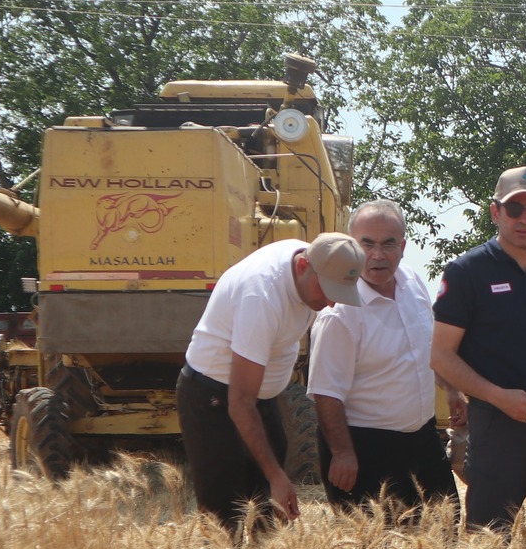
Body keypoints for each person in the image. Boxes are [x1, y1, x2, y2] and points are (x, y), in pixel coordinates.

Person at [431, 166, 526, 533]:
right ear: (495, 211)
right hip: (497, 429)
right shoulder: (467, 271)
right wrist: (499, 397)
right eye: (515, 209)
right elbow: (440, 356)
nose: (525, 219)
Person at [179, 232, 367, 530]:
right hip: (215, 398)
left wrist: (274, 477)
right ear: (304, 266)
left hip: (259, 400)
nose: (331, 302)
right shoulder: (261, 297)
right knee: (227, 519)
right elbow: (240, 403)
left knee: (267, 517)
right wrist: (276, 476)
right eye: (327, 290)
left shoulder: (311, 261)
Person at [309, 201, 458, 516]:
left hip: (423, 439)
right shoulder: (340, 313)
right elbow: (325, 393)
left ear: (403, 247)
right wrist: (343, 453)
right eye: (367, 244)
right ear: (352, 247)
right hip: (366, 448)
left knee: (446, 530)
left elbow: (427, 350)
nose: (377, 255)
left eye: (388, 244)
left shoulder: (413, 284)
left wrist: (453, 393)